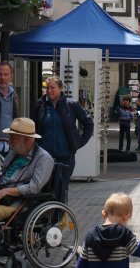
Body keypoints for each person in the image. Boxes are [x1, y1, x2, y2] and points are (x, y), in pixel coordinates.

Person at [0, 118, 54, 263]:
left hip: (19, 203)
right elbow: (3, 177)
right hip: (1, 194)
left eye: (13, 136)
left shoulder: (44, 158)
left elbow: (34, 187)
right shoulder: (15, 152)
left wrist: (5, 192)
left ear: (25, 139)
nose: (9, 140)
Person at [32, 76, 95, 204]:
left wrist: (78, 143)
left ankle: (60, 218)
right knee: (44, 187)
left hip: (65, 156)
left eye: (52, 88)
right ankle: (45, 218)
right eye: (47, 88)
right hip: (44, 156)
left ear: (61, 89)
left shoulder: (71, 105)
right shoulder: (41, 105)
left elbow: (88, 123)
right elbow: (34, 127)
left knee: (61, 188)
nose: (49, 91)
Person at [77, 192, 140, 267]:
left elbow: (82, 264)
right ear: (127, 216)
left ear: (104, 213)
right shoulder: (125, 234)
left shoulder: (90, 236)